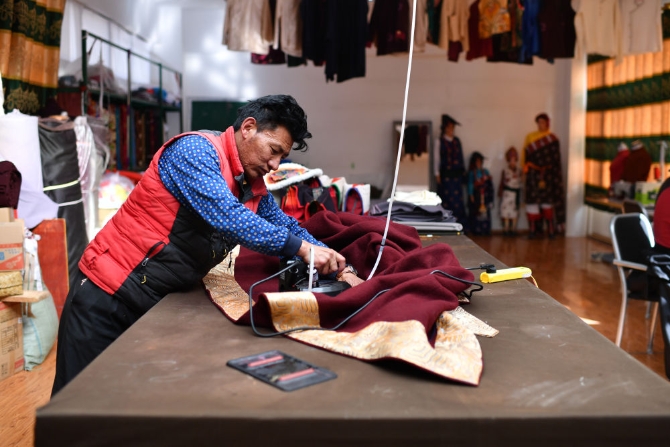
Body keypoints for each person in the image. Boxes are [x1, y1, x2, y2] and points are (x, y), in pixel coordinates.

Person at [51, 94, 357, 395]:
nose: (275, 165)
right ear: (248, 128)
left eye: (282, 157)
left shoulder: (248, 183)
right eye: (273, 150)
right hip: (106, 295)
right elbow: (229, 216)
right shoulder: (195, 151)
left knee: (125, 404)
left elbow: (286, 225)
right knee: (77, 402)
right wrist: (301, 249)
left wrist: (339, 267)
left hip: (151, 301)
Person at [523, 113, 566, 238]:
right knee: (532, 202)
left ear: (547, 123)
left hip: (547, 175)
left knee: (547, 202)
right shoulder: (530, 137)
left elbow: (555, 160)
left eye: (542, 122)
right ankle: (533, 230)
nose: (540, 125)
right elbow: (525, 157)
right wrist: (525, 169)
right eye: (538, 122)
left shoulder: (552, 139)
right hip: (533, 175)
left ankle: (551, 230)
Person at [433, 114, 466, 224]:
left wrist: (463, 173)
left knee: (458, 201)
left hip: (457, 176)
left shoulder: (457, 141)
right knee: (446, 199)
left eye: (452, 127)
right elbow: (437, 158)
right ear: (445, 128)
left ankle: (459, 224)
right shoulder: (440, 141)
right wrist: (437, 174)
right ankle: (446, 224)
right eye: (449, 127)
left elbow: (460, 157)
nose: (451, 129)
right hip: (446, 176)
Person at [466, 151, 494, 235]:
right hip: (477, 195)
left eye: (480, 161)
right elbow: (470, 184)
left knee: (485, 212)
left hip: (485, 196)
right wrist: (471, 194)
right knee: (476, 212)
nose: (478, 163)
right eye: (477, 161)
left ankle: (485, 229)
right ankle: (476, 230)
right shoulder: (472, 172)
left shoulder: (485, 171)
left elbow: (489, 184)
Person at [499, 146, 521, 236]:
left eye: (514, 160)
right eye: (511, 160)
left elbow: (521, 182)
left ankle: (513, 229)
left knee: (514, 213)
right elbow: (502, 182)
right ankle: (506, 229)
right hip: (507, 194)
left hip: (515, 194)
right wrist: (500, 192)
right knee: (505, 212)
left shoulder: (519, 171)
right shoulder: (505, 171)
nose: (513, 162)